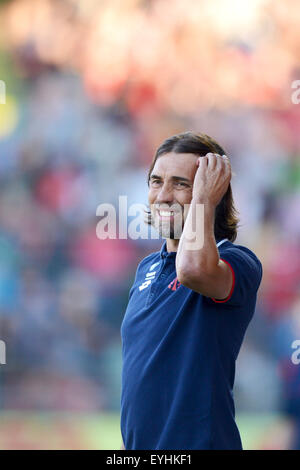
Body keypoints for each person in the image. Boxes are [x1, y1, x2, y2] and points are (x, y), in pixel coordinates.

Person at [120, 132, 263, 450]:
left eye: (182, 184)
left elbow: (194, 270)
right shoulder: (146, 268)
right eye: (156, 182)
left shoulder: (236, 261)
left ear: (211, 193)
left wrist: (204, 200)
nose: (164, 195)